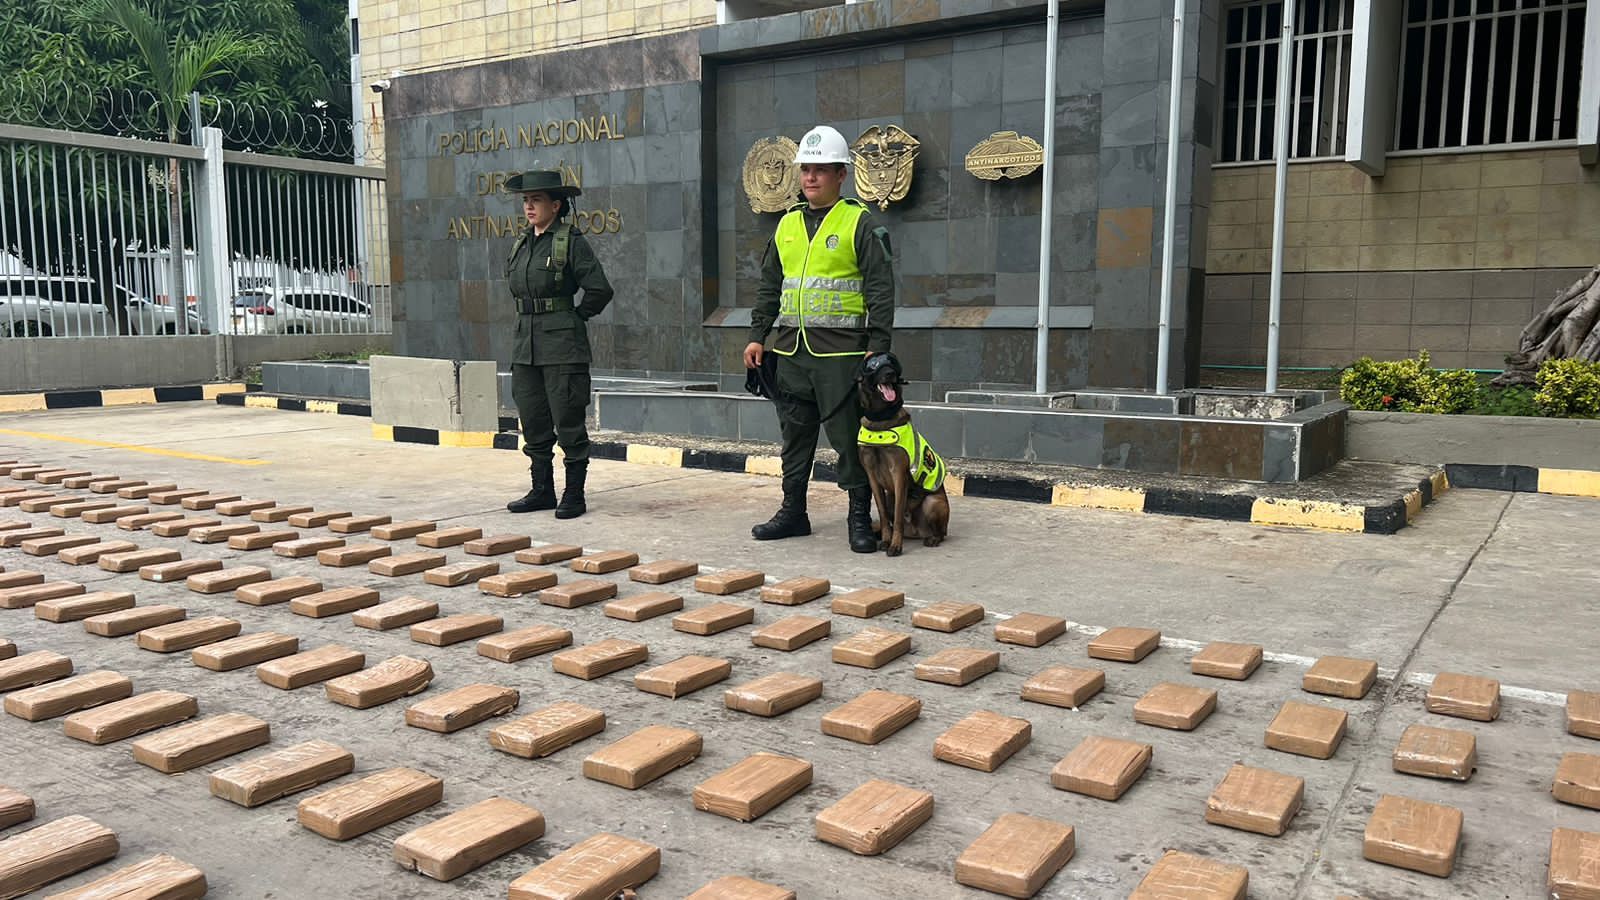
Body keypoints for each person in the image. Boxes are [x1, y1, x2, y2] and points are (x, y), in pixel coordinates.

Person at [744, 124, 897, 553]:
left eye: (820, 170)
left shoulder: (859, 222)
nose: (810, 177)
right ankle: (794, 512)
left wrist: (879, 347)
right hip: (791, 351)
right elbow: (769, 286)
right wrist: (758, 336)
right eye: (805, 169)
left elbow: (880, 288)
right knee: (794, 436)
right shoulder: (786, 225)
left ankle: (859, 517)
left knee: (848, 438)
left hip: (842, 354)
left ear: (841, 175)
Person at [503, 169, 614, 519]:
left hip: (563, 346)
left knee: (568, 420)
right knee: (533, 419)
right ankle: (542, 490)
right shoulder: (523, 242)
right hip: (526, 345)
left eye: (536, 200)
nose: (529, 207)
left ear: (556, 205)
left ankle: (574, 494)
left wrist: (576, 317)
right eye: (525, 200)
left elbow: (600, 289)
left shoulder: (570, 241)